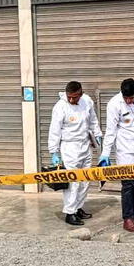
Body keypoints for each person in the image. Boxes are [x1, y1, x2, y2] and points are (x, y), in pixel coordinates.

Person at [99, 78, 134, 233]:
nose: (129, 100)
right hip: (125, 151)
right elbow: (110, 131)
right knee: (128, 186)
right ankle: (128, 219)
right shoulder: (114, 104)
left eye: (132, 98)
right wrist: (105, 154)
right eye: (127, 98)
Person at [48, 81, 103, 226]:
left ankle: (78, 208)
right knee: (73, 182)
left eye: (75, 97)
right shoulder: (60, 107)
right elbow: (54, 131)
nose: (71, 100)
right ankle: (69, 212)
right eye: (69, 97)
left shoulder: (87, 102)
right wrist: (54, 152)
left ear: (81, 93)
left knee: (85, 180)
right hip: (69, 147)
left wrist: (97, 134)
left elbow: (93, 120)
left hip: (85, 145)